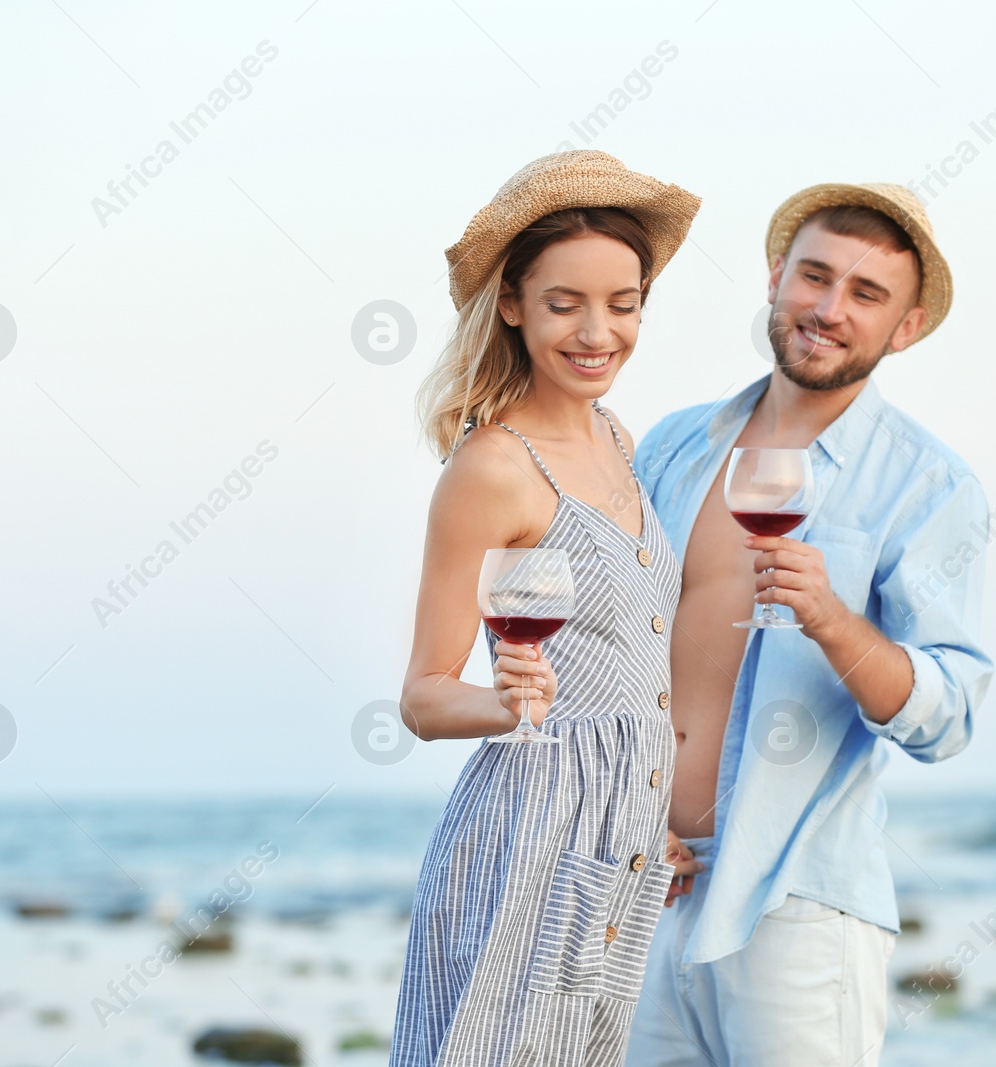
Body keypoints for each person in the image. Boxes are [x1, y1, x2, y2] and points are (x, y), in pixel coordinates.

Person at [623, 184, 994, 1066]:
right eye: (814, 277)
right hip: (644, 886)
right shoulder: (672, 447)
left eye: (865, 295)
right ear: (774, 279)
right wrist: (622, 817)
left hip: (796, 901)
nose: (828, 310)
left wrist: (832, 620)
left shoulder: (929, 486)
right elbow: (606, 649)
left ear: (905, 326)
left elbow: (950, 715)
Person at [391, 150, 704, 1067]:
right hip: (534, 836)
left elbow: (635, 667)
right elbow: (422, 694)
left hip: (622, 847)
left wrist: (657, 819)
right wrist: (506, 702)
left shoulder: (617, 437)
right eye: (564, 302)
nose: (597, 331)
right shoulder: (492, 467)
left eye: (623, 302)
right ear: (515, 303)